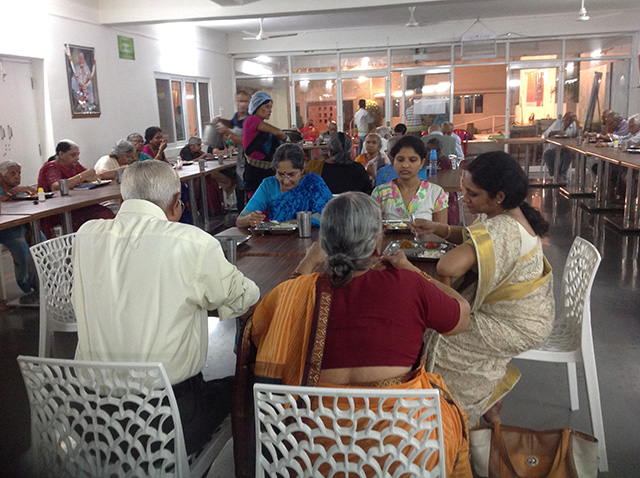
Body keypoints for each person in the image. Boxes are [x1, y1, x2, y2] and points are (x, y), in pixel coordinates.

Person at [236, 192, 472, 477]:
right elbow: (462, 315)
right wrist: (413, 270)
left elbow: (256, 335)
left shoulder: (293, 293)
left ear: (324, 244)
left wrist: (307, 265)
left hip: (310, 454)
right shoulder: (408, 285)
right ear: (375, 243)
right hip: (405, 455)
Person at [72, 160, 260, 456]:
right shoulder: (191, 241)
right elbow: (243, 297)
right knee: (246, 384)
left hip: (93, 419)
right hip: (164, 422)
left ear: (123, 200)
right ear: (177, 204)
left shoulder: (85, 235)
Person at [412, 151, 554, 424]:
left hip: (516, 323)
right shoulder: (510, 213)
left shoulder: (503, 229)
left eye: (473, 194)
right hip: (524, 313)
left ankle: (451, 417)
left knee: (441, 339)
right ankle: (488, 400)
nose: (465, 199)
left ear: (498, 196)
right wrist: (438, 228)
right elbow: (470, 239)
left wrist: (408, 270)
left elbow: (447, 267)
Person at [236, 143, 333, 228]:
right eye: (281, 174)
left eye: (292, 175)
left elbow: (328, 216)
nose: (286, 181)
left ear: (302, 168)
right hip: (278, 243)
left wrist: (289, 224)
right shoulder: (269, 185)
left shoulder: (313, 183)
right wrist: (249, 219)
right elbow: (239, 221)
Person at [37, 140, 114, 238]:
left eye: (78, 155)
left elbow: (92, 177)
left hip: (77, 205)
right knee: (102, 216)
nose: (77, 158)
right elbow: (56, 187)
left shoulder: (75, 166)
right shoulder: (51, 167)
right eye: (73, 155)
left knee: (107, 214)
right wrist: (82, 176)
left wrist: (90, 176)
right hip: (57, 211)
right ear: (61, 154)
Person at [371, 135, 448, 223]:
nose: (405, 165)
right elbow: (373, 229)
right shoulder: (380, 193)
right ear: (393, 162)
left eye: (412, 160)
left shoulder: (436, 193)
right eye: (400, 160)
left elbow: (440, 231)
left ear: (422, 163)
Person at [0, 161, 38, 302]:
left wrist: (27, 189)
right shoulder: (8, 191)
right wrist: (10, 194)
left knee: (40, 239)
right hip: (5, 230)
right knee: (21, 248)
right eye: (13, 173)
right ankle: (26, 287)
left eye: (19, 173)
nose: (17, 177)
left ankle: (45, 282)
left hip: (20, 226)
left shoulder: (18, 190)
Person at [242, 91, 287, 194]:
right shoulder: (252, 120)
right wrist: (287, 138)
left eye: (270, 108)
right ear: (257, 106)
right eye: (267, 107)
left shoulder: (260, 124)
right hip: (255, 173)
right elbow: (278, 132)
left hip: (266, 172)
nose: (270, 111)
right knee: (257, 205)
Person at [215, 90, 251, 210]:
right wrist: (220, 120)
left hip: (250, 161)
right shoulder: (237, 116)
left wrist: (228, 132)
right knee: (239, 190)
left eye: (245, 101)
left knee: (248, 192)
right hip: (241, 160)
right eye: (240, 101)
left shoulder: (250, 119)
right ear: (236, 102)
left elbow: (246, 140)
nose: (242, 104)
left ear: (250, 102)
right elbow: (232, 123)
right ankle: (240, 219)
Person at [305, 132, 371, 194]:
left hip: (325, 205)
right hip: (352, 205)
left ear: (330, 149)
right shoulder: (358, 169)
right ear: (350, 150)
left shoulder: (314, 167)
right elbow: (368, 191)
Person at [425, 137, 460, 225]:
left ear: (439, 151)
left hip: (443, 186)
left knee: (448, 197)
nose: (430, 153)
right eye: (428, 150)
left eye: (434, 150)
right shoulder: (423, 160)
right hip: (427, 186)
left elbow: (448, 175)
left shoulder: (445, 160)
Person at [542, 111, 577, 181]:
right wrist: (557, 132)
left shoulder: (574, 125)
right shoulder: (558, 123)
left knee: (568, 154)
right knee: (546, 155)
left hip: (566, 148)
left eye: (570, 120)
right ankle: (555, 174)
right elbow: (546, 133)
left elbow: (578, 135)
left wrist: (577, 122)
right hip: (554, 148)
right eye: (566, 120)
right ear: (563, 118)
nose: (567, 122)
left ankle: (562, 174)